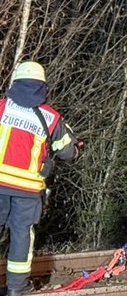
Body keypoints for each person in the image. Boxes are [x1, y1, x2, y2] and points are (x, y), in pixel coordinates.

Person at [0, 61, 80, 295]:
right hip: (27, 190)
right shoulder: (50, 118)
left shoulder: (2, 107)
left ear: (15, 83)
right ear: (42, 86)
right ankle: (16, 288)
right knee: (22, 235)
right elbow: (68, 152)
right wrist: (76, 145)